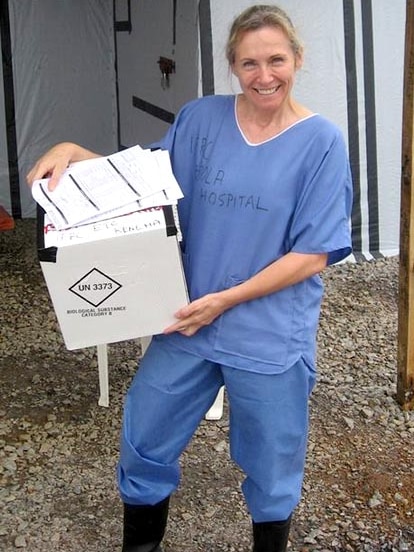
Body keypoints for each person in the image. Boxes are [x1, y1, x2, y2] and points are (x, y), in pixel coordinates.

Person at [27, 4, 353, 551]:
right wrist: (75, 152)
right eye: (249, 63)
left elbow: (313, 254)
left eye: (276, 60)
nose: (264, 75)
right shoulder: (201, 119)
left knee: (272, 462)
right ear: (232, 66)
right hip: (186, 321)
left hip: (268, 333)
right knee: (145, 438)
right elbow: (141, 181)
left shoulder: (321, 142)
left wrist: (225, 300)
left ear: (298, 59)